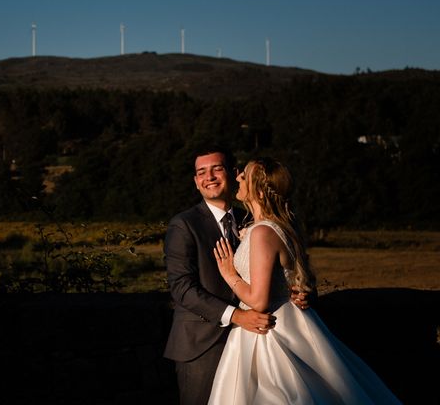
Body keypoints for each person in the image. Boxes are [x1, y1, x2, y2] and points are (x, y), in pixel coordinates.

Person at [208, 157, 402, 404]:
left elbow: (259, 301)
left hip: (268, 334)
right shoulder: (279, 226)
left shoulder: (263, 232)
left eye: (243, 175)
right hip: (291, 321)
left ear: (258, 190)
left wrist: (230, 275)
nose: (237, 177)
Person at [163, 147, 310, 405]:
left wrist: (294, 292)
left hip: (257, 340)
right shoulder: (184, 225)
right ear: (196, 182)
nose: (209, 177)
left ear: (234, 174)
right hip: (202, 344)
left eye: (216, 169)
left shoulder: (251, 219)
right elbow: (181, 287)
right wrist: (237, 316)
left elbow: (283, 270)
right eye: (201, 172)